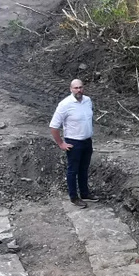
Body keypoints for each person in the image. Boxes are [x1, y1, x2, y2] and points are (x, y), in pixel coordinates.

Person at [49, 79, 97, 208]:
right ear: (71, 89)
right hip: (73, 143)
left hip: (87, 141)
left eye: (80, 87)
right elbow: (54, 126)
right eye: (75, 88)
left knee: (84, 169)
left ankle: (85, 193)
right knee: (73, 170)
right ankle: (74, 197)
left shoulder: (87, 101)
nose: (78, 90)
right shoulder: (65, 104)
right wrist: (61, 143)